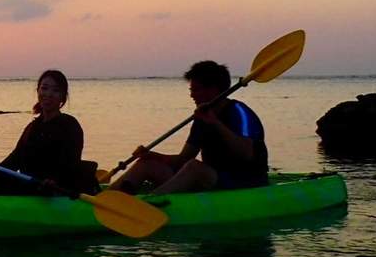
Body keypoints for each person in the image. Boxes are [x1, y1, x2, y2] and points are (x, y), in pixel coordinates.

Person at [110, 60, 267, 195]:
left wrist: (215, 123)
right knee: (147, 164)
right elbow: (183, 159)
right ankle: (104, 199)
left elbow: (247, 153)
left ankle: (150, 202)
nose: (192, 95)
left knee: (194, 168)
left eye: (196, 90)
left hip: (245, 181)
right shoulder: (201, 118)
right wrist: (152, 155)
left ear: (213, 89)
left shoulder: (240, 112)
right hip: (211, 179)